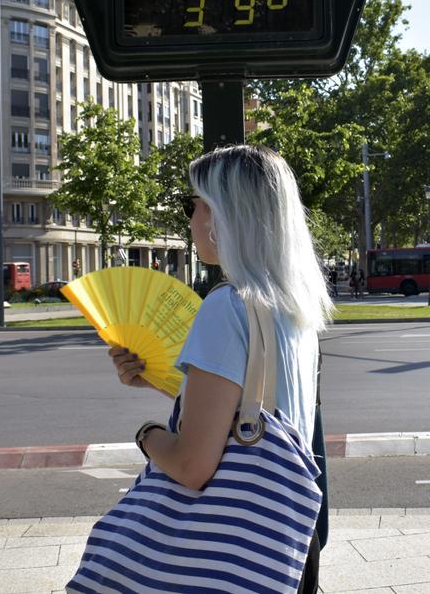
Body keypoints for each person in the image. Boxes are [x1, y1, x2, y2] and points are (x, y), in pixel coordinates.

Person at [98, 145, 331, 591]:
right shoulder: (295, 308)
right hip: (284, 551)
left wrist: (147, 435)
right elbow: (257, 412)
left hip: (225, 557)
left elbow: (192, 465)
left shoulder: (227, 306)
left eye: (195, 204)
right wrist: (165, 383)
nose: (190, 220)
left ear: (226, 213)